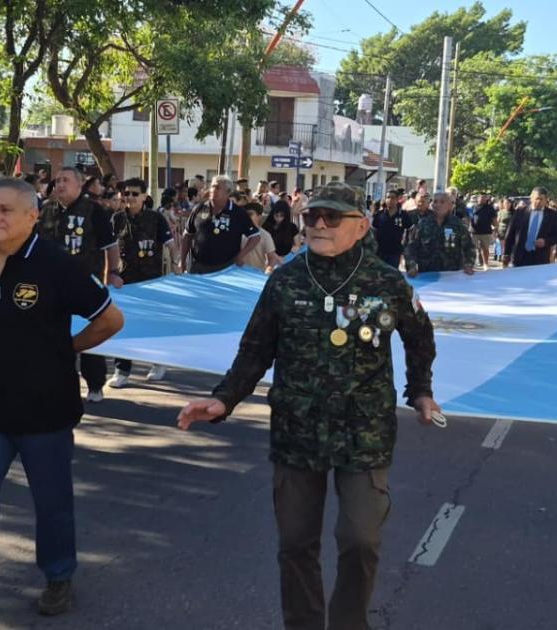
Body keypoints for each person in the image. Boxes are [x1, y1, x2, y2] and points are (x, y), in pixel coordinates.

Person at [177, 182, 441, 630]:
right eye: (312, 216)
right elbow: (255, 350)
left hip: (364, 432)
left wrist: (420, 390)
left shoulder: (387, 282)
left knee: (360, 540)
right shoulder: (285, 280)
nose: (319, 224)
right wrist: (223, 399)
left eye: (332, 217)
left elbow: (420, 338)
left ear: (360, 226)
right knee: (296, 544)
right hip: (297, 430)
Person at [0, 177, 124, 630]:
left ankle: (58, 574)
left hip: (47, 410)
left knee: (52, 502)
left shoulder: (57, 265)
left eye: (5, 210)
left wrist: (68, 349)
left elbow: (110, 319)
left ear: (32, 216)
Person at [37, 166, 122, 404]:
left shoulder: (94, 210)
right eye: (57, 181)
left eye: (65, 180)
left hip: (85, 282)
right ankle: (55, 382)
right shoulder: (45, 210)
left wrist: (113, 272)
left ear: (79, 185)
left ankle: (95, 384)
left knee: (90, 334)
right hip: (50, 285)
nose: (59, 185)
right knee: (51, 333)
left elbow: (110, 246)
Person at [107, 177, 174, 388]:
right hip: (124, 280)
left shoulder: (156, 219)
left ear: (144, 196)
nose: (130, 198)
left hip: (151, 280)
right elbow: (108, 248)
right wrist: (110, 273)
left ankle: (158, 362)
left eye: (135, 194)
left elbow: (172, 245)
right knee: (122, 325)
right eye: (126, 193)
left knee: (152, 324)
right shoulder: (116, 219)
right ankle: (122, 369)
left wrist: (177, 266)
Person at [180, 175, 260, 274]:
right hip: (198, 267)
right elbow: (187, 236)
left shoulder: (238, 213)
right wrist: (182, 262)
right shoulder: (199, 209)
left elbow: (255, 236)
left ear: (228, 192)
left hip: (226, 269)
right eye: (212, 186)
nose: (213, 190)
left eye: (217, 187)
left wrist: (241, 255)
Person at [404, 190, 475, 277]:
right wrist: (411, 265)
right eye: (435, 201)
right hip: (427, 274)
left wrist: (469, 264)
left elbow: (469, 247)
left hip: (452, 275)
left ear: (449, 205)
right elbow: (411, 247)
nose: (438, 205)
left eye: (442, 202)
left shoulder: (457, 225)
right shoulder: (422, 224)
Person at [503, 187, 557, 267]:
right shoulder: (520, 212)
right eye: (537, 198)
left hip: (540, 258)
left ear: (546, 200)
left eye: (542, 199)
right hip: (519, 256)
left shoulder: (552, 215)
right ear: (531, 198)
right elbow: (510, 234)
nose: (539, 201)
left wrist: (546, 241)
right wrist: (506, 254)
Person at [370, 189, 412, 269]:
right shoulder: (379, 215)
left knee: (392, 275)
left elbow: (410, 230)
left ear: (397, 200)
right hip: (380, 252)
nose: (390, 200)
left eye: (392, 198)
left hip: (394, 253)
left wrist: (405, 247)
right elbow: (373, 232)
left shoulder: (403, 215)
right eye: (388, 197)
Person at [240, 203, 280, 271]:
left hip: (257, 275)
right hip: (237, 274)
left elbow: (272, 258)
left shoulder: (265, 235)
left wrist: (269, 270)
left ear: (259, 216)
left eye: (250, 214)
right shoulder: (236, 233)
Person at [469, 193, 497, 269]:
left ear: (486, 199)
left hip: (486, 231)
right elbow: (469, 217)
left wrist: (495, 228)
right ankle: (471, 264)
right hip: (474, 231)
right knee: (472, 249)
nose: (482, 199)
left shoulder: (490, 208)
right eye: (481, 197)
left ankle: (486, 264)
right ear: (478, 198)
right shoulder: (473, 207)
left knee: (485, 249)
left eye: (484, 198)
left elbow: (494, 219)